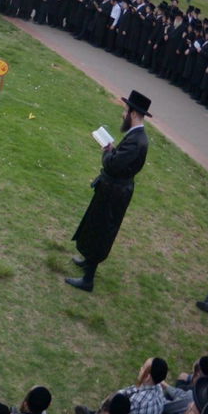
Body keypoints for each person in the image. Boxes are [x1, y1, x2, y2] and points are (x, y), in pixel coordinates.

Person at [68, 90, 151, 293]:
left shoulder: (137, 140)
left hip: (115, 191)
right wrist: (114, 151)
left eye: (125, 110)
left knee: (102, 230)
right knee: (96, 224)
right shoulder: (136, 136)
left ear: (133, 113)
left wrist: (107, 152)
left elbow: (113, 166)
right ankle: (88, 261)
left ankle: (88, 279)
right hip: (113, 188)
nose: (123, 114)